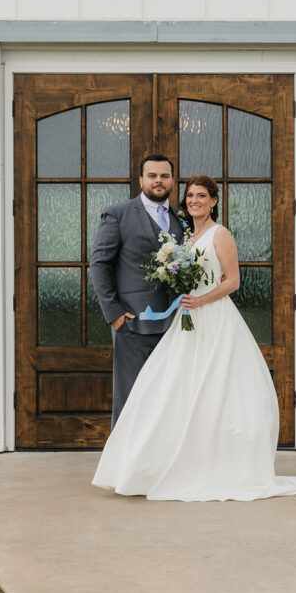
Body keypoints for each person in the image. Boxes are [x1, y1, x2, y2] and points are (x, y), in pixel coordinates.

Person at [92, 175, 296, 501]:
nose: (194, 200)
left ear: (214, 201)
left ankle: (219, 462)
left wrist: (200, 299)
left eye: (201, 196)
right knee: (172, 387)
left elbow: (234, 281)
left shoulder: (220, 234)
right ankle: (158, 462)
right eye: (190, 196)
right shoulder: (185, 235)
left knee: (215, 385)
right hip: (186, 318)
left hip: (212, 316)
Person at [90, 154, 186, 427]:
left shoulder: (182, 219)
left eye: (164, 176)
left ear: (172, 180)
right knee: (131, 397)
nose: (159, 181)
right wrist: (115, 314)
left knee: (168, 399)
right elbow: (99, 265)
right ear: (141, 179)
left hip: (176, 325)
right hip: (133, 323)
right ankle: (124, 465)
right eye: (153, 176)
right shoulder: (117, 215)